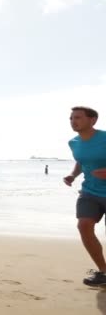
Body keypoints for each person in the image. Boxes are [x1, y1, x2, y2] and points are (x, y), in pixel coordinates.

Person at [64, 106, 106, 287]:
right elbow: (81, 161)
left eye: (78, 117)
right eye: (71, 118)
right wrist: (73, 175)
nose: (73, 121)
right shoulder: (73, 142)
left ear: (93, 120)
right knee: (83, 226)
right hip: (89, 192)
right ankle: (104, 272)